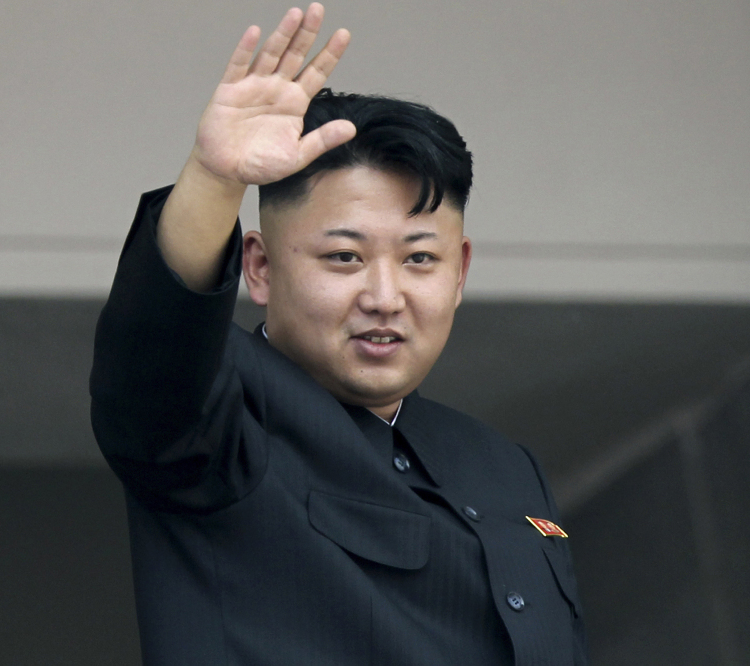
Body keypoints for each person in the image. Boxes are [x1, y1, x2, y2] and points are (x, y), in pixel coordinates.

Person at [90, 4, 586, 664]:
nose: (384, 298)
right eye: (344, 258)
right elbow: (157, 349)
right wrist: (214, 180)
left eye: (418, 259)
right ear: (259, 267)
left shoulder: (500, 463)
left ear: (459, 270)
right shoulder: (219, 420)